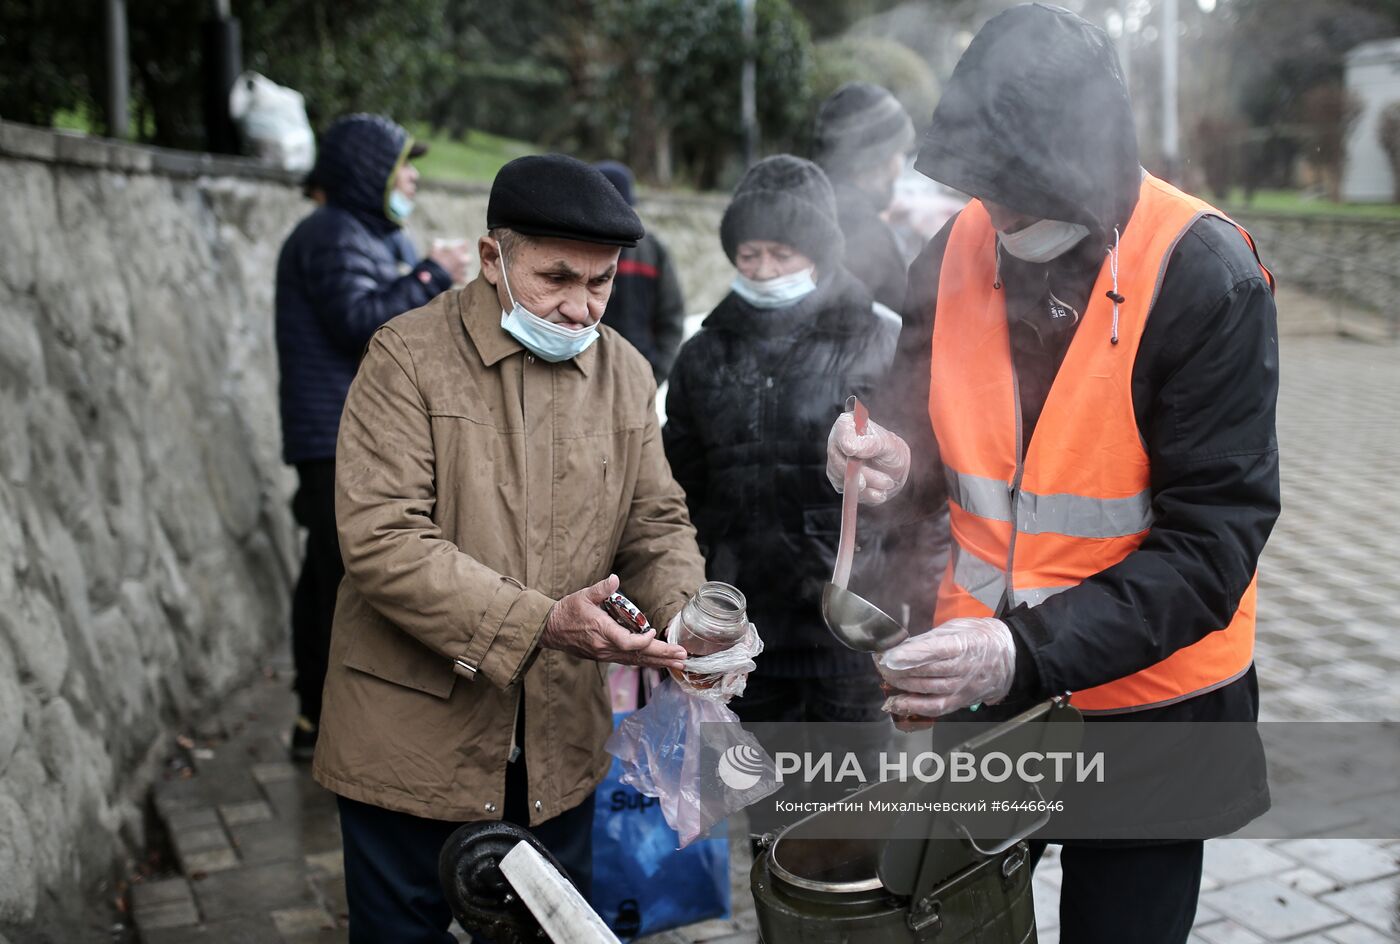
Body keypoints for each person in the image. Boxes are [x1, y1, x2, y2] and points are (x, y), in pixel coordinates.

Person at [826, 6, 1278, 943]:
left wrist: (1019, 651)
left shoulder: (1205, 276)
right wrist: (892, 463)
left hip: (1155, 713)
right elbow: (926, 427)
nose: (1002, 215)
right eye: (987, 189)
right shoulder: (954, 249)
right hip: (987, 695)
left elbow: (1211, 547)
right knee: (944, 924)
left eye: (1022, 192)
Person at [311, 154, 708, 943]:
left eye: (599, 283)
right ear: (492, 258)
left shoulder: (626, 373)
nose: (578, 308)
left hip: (562, 749)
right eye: (555, 277)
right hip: (410, 747)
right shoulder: (406, 359)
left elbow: (656, 523)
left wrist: (689, 618)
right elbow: (382, 538)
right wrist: (544, 622)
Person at [663, 155, 899, 844]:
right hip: (747, 632)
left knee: (851, 822)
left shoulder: (878, 339)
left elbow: (916, 492)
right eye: (749, 252)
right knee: (769, 823)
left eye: (781, 252)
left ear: (818, 255)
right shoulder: (703, 355)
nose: (763, 269)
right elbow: (677, 487)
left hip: (845, 632)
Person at [274, 113, 471, 760]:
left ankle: (322, 719)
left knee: (332, 577)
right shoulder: (332, 234)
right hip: (335, 438)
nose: (411, 178)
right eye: (400, 166)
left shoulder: (364, 233)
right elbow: (362, 322)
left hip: (347, 435)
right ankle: (328, 724)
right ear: (367, 172)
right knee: (343, 581)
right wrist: (430, 275)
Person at [812, 82, 917, 312]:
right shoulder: (867, 236)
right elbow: (912, 328)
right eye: (899, 153)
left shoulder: (807, 207)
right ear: (879, 160)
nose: (900, 165)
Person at [593, 160, 688, 384]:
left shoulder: (652, 251)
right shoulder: (575, 252)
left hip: (639, 376)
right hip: (586, 376)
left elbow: (671, 315)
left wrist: (657, 371)